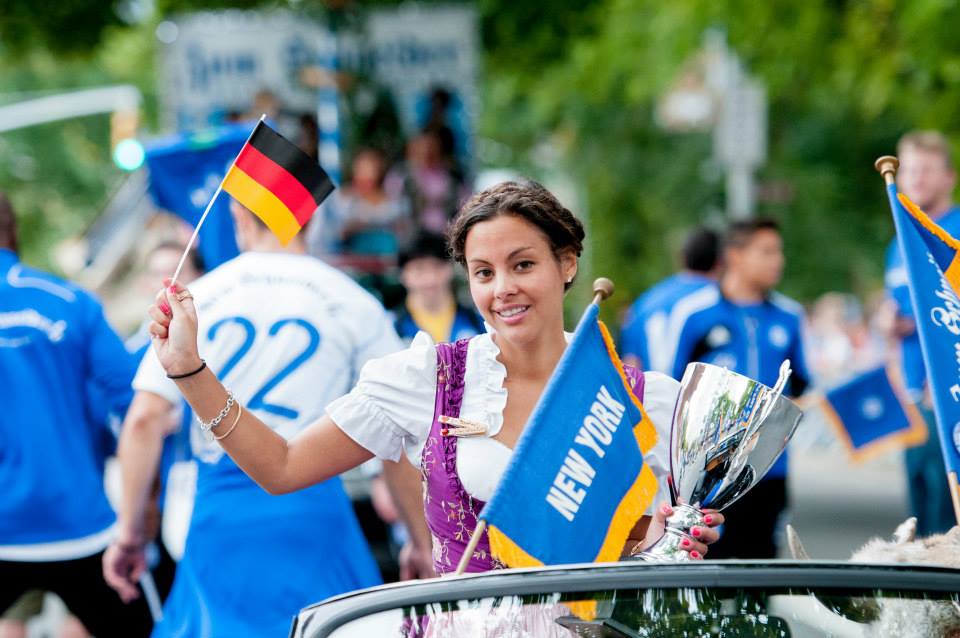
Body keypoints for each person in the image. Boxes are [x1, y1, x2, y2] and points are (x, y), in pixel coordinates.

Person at [143, 180, 724, 578]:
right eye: (483, 273)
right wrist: (189, 371)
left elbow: (650, 543)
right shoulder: (428, 379)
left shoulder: (641, 397)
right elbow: (282, 467)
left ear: (566, 263)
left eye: (523, 265)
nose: (503, 290)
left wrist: (675, 535)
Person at [103, 201, 394, 637]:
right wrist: (419, 537)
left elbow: (144, 418)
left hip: (222, 511)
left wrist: (129, 533)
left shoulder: (198, 296)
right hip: (313, 510)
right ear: (309, 220)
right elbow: (397, 423)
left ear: (239, 218)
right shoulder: (352, 299)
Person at [0, 192, 153, 637]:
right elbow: (134, 401)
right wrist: (143, 506)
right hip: (79, 521)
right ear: (14, 231)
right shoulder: (69, 300)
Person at [663, 218, 809, 559]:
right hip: (705, 473)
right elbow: (673, 389)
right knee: (703, 565)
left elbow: (802, 383)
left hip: (767, 471)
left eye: (779, 251)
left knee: (760, 569)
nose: (778, 260)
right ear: (736, 255)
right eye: (767, 251)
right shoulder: (694, 314)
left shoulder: (789, 316)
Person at [883, 130, 960, 536]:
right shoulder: (901, 241)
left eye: (927, 170)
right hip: (911, 395)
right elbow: (898, 311)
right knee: (919, 512)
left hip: (948, 393)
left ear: (949, 177)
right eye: (909, 169)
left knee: (946, 513)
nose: (915, 179)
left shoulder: (954, 232)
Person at [620, 227, 720, 372]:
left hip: (649, 391)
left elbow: (631, 365)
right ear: (720, 262)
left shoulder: (645, 301)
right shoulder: (717, 301)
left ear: (682, 258)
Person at [394, 232, 485, 344]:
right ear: (403, 275)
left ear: (451, 269)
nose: (430, 279)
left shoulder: (479, 321)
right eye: (419, 269)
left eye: (437, 267)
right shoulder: (390, 327)